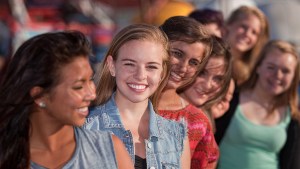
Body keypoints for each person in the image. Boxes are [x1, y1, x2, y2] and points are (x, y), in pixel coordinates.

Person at [0, 31, 133, 169]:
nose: (92, 95)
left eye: (91, 80)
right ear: (39, 96)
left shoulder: (110, 151)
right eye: (78, 86)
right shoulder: (5, 156)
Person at [84, 23, 191, 169]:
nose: (140, 75)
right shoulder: (86, 129)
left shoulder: (177, 136)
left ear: (163, 73)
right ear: (112, 66)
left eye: (151, 66)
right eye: (130, 64)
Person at [215, 40, 300, 169]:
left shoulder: (293, 118)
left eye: (286, 71)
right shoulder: (230, 100)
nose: (278, 75)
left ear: (294, 77)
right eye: (271, 67)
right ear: (258, 67)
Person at [157, 16, 219, 169]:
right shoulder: (121, 102)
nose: (183, 68)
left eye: (193, 62)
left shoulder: (197, 122)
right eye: (177, 54)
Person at [176, 36, 232, 136]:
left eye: (217, 78)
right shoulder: (155, 110)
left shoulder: (205, 122)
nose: (207, 85)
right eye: (202, 73)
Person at [224, 5, 269, 86]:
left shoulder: (255, 75)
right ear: (229, 24)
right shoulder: (207, 55)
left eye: (254, 32)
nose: (247, 34)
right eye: (243, 27)